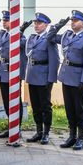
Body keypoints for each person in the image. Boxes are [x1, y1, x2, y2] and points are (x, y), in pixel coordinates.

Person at [47, 10, 83, 150]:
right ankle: (71, 136)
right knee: (69, 109)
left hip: (78, 79)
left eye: (76, 20)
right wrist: (57, 26)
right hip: (66, 76)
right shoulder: (66, 36)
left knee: (79, 110)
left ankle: (80, 138)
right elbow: (49, 38)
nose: (73, 22)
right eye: (72, 20)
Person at [0, 10, 32, 138]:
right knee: (6, 102)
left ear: (13, 22)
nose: (4, 22)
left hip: (13, 72)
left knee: (15, 101)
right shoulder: (1, 34)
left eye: (6, 20)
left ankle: (17, 128)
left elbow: (21, 44)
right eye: (3, 20)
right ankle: (11, 127)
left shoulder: (21, 37)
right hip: (3, 71)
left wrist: (19, 32)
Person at [25, 12, 60, 145]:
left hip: (44, 77)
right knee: (35, 106)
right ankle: (38, 132)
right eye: (35, 23)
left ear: (46, 25)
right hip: (32, 75)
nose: (36, 25)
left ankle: (46, 133)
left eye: (39, 23)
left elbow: (55, 60)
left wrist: (50, 79)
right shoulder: (32, 38)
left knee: (45, 107)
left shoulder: (49, 39)